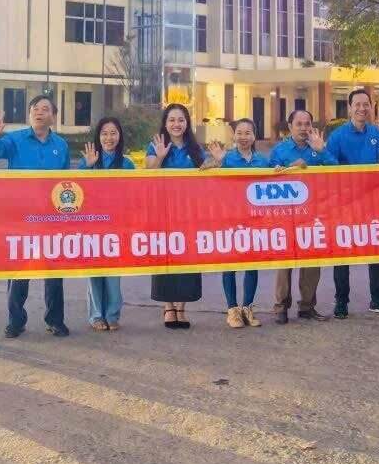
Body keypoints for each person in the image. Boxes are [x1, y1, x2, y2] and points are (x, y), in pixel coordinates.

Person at [0, 95, 71, 338]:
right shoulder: (14, 140)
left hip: (52, 218)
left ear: (53, 115)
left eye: (45, 109)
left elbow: (66, 182)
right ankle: (16, 321)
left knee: (53, 271)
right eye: (35, 108)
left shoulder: (61, 145)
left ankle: (55, 320)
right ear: (29, 114)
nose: (39, 112)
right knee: (19, 270)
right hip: (20, 216)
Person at [145, 103, 220, 329]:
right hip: (164, 212)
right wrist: (159, 157)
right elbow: (148, 174)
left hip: (189, 213)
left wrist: (217, 161)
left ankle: (181, 308)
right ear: (165, 123)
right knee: (166, 257)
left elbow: (207, 171)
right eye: (172, 120)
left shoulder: (195, 148)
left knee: (186, 259)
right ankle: (168, 307)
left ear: (187, 123)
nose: (176, 124)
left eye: (181, 120)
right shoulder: (156, 145)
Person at [326, 88, 379, 318]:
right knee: (343, 254)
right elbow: (329, 169)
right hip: (345, 203)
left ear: (371, 107)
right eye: (357, 105)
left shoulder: (376, 133)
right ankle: (341, 302)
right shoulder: (337, 136)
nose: (361, 109)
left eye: (365, 104)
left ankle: (378, 299)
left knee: (376, 252)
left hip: (372, 202)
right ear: (349, 108)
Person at [267, 109, 336, 324]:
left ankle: (307, 306)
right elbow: (266, 177)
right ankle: (280, 307)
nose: (304, 128)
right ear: (290, 127)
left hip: (313, 213)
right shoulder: (279, 150)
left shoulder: (318, 146)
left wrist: (322, 152)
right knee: (284, 262)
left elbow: (336, 170)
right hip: (286, 213)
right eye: (299, 124)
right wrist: (287, 169)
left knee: (312, 261)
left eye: (307, 124)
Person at [207, 118, 273, 328]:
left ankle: (248, 308)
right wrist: (218, 162)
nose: (243, 137)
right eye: (239, 133)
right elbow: (206, 177)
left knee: (252, 264)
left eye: (248, 133)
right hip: (229, 218)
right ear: (233, 136)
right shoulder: (226, 158)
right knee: (231, 264)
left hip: (254, 219)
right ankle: (233, 310)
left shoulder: (263, 161)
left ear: (254, 136)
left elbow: (272, 183)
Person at [78, 116, 135, 332]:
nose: (109, 138)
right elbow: (77, 191)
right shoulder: (89, 160)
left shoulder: (127, 164)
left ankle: (112, 314)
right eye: (104, 133)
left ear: (119, 136)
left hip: (116, 226)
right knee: (94, 273)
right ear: (98, 137)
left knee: (113, 274)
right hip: (92, 225)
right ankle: (96, 316)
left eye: (113, 133)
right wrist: (89, 168)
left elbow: (133, 197)